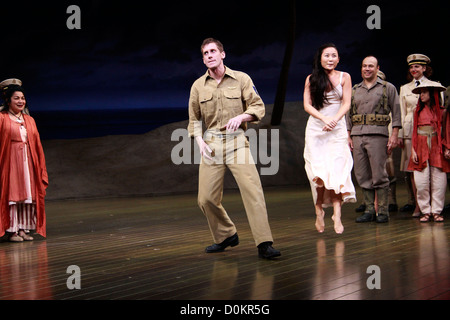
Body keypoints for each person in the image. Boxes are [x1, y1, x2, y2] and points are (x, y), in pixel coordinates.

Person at [187, 38, 280, 259]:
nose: (209, 55)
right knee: (206, 198)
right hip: (211, 144)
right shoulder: (198, 86)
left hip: (237, 141)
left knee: (252, 191)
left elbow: (258, 107)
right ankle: (226, 235)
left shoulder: (241, 79)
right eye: (205, 53)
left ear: (222, 54)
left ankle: (264, 243)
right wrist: (199, 141)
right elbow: (193, 120)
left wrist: (241, 116)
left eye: (212, 51)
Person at [303, 43, 356, 234]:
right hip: (317, 128)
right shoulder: (311, 79)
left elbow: (347, 103)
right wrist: (324, 118)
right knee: (319, 174)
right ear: (320, 58)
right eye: (327, 55)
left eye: (334, 55)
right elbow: (307, 106)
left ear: (338, 59)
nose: (330, 59)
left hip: (337, 128)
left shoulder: (345, 77)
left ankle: (337, 214)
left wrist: (334, 120)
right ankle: (319, 211)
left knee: (337, 171)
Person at [347, 56, 402, 223]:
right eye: (364, 66)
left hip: (378, 134)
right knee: (362, 173)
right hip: (357, 135)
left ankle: (383, 211)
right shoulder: (355, 89)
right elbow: (349, 114)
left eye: (371, 66)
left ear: (377, 68)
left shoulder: (388, 88)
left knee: (379, 174)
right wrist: (348, 135)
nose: (367, 69)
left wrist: (394, 134)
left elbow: (397, 113)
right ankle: (369, 210)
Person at [0, 79, 48, 241]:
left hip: (27, 161)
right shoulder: (2, 118)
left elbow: (37, 144)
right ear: (8, 100)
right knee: (13, 194)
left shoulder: (29, 120)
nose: (20, 101)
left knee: (28, 193)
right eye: (16, 98)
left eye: (22, 98)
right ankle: (12, 230)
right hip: (10, 161)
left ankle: (23, 229)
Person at [408, 80, 448, 222]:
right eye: (421, 93)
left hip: (437, 146)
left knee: (439, 180)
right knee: (421, 181)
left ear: (432, 93)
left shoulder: (442, 112)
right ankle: (425, 210)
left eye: (424, 92)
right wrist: (413, 150)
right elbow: (414, 132)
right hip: (421, 145)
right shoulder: (416, 112)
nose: (421, 95)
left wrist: (447, 147)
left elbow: (446, 131)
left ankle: (436, 211)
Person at [398, 54, 433, 217]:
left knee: (430, 166)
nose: (414, 69)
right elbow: (401, 112)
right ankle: (418, 205)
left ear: (424, 68)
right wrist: (398, 134)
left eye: (417, 66)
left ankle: (431, 204)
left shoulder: (434, 86)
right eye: (411, 67)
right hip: (409, 131)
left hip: (428, 130)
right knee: (413, 169)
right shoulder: (404, 88)